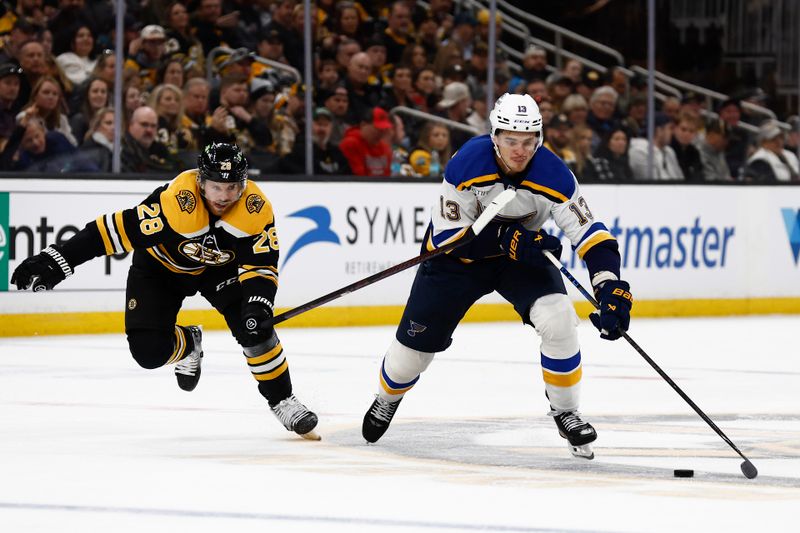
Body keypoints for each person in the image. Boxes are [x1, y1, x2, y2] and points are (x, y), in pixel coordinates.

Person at [360, 93, 632, 460]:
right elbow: (448, 238)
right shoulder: (466, 164)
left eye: (528, 142)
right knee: (412, 355)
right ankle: (387, 397)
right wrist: (506, 238)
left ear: (539, 138)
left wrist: (609, 284)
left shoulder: (554, 174)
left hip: (520, 257)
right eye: (511, 141)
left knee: (559, 319)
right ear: (494, 137)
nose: (520, 151)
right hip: (457, 261)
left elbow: (591, 235)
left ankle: (566, 411)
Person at [10, 142, 320, 439]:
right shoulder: (176, 203)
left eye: (232, 187)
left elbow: (261, 264)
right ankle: (188, 344)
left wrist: (258, 302)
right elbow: (109, 232)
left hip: (219, 271)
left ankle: (283, 400)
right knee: (148, 353)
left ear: (243, 184)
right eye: (216, 187)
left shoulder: (255, 208)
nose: (224, 196)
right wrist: (59, 260)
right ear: (201, 182)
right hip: (160, 269)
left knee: (254, 329)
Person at [339, 105, 393, 176]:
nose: (381, 133)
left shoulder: (385, 148)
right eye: (377, 128)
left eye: (384, 129)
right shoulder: (350, 144)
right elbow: (359, 176)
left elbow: (388, 175)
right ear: (363, 125)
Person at [628, 112, 684, 180]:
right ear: (659, 130)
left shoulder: (669, 151)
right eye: (670, 128)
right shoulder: (639, 152)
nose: (672, 132)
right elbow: (653, 183)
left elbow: (680, 179)